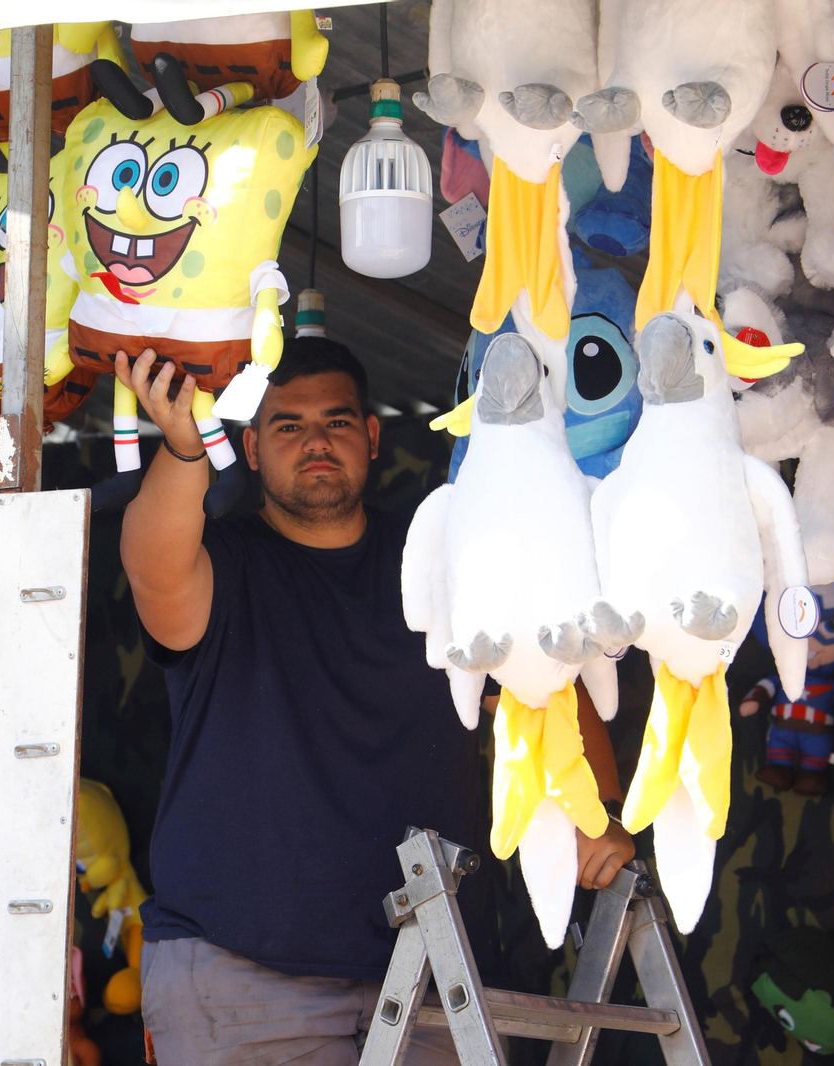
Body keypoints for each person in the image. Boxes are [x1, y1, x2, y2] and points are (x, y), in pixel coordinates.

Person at [116, 337, 635, 1066]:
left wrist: (599, 812)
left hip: (438, 972)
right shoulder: (223, 563)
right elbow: (153, 562)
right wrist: (180, 450)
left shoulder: (440, 553)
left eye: (335, 421)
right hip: (241, 974)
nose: (316, 442)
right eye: (288, 426)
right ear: (254, 449)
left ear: (371, 436)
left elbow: (549, 675)